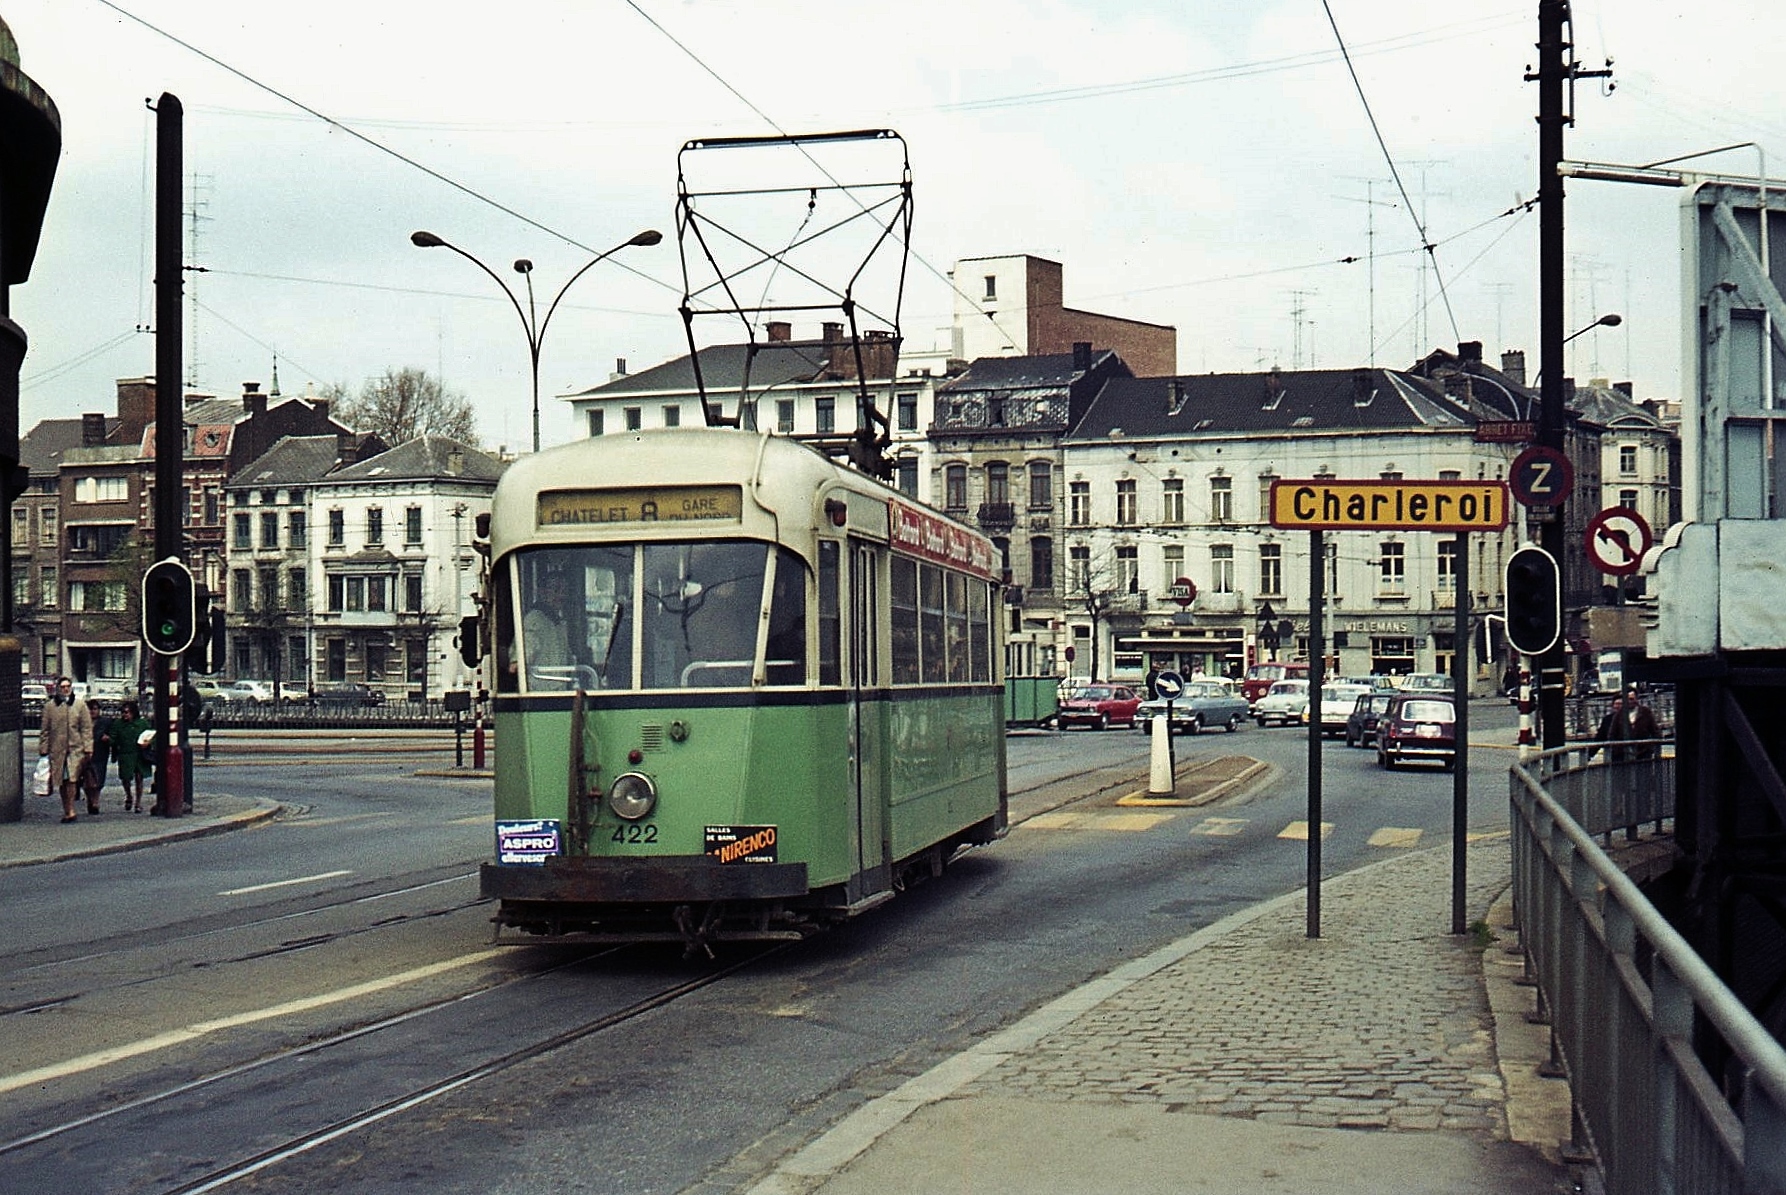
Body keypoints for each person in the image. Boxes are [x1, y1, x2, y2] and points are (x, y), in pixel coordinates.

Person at [39, 677, 94, 823]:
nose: (65, 689)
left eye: (68, 686)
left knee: (72, 779)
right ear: (58, 688)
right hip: (57, 750)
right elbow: (45, 730)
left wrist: (88, 748)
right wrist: (43, 749)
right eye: (63, 686)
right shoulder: (50, 707)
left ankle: (71, 810)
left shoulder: (80, 705)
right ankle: (66, 808)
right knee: (61, 781)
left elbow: (86, 728)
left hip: (75, 749)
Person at [113, 700, 153, 812]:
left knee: (139, 778)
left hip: (139, 754)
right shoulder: (118, 724)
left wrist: (148, 743)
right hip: (125, 754)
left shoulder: (142, 723)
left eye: (127, 712)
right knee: (125, 778)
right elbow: (113, 737)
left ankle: (138, 802)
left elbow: (151, 735)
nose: (125, 715)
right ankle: (129, 795)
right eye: (123, 712)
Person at [84, 702, 115, 814]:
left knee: (98, 778)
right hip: (85, 753)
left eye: (95, 709)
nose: (92, 711)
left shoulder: (105, 722)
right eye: (90, 709)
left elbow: (113, 735)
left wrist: (108, 739)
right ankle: (89, 799)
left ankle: (95, 801)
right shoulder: (82, 722)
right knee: (87, 779)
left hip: (100, 753)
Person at [1593, 693, 1631, 763]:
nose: (1618, 706)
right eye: (1616, 704)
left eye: (1620, 704)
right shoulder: (1607, 719)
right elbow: (1600, 737)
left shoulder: (1630, 718)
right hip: (1614, 754)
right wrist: (1590, 754)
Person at [1626, 686, 1660, 759]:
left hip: (1644, 752)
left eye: (1631, 699)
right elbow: (1612, 733)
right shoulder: (1620, 713)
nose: (1629, 702)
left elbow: (1655, 730)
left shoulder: (1645, 712)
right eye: (1626, 699)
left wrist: (1652, 748)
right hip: (1625, 754)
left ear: (1637, 699)